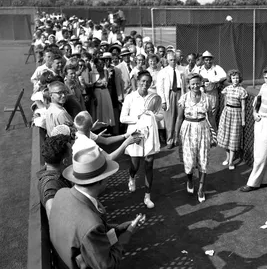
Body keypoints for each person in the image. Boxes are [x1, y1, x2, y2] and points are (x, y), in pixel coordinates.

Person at [49, 146, 146, 269]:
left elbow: (94, 235)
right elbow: (108, 264)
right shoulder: (91, 225)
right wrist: (127, 234)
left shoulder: (62, 193)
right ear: (101, 180)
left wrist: (122, 228)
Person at [120, 71, 163, 209]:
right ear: (138, 81)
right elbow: (122, 118)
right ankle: (132, 177)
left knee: (149, 164)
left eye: (148, 82)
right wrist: (138, 117)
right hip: (136, 134)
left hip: (150, 134)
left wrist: (152, 115)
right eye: (143, 81)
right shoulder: (130, 97)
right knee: (135, 165)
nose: (145, 84)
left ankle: (147, 195)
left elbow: (161, 115)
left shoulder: (154, 97)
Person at [175, 73, 217, 203]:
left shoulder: (207, 98)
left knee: (203, 158)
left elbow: (210, 117)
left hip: (203, 128)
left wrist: (214, 133)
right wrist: (175, 135)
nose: (195, 86)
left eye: (197, 83)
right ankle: (189, 180)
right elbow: (179, 118)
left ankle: (201, 188)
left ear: (201, 83)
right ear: (188, 85)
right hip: (187, 129)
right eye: (192, 84)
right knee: (189, 160)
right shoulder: (184, 98)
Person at [73, 111, 140, 160]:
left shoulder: (79, 134)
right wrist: (126, 143)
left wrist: (125, 136)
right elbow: (109, 158)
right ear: (91, 126)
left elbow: (106, 141)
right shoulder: (89, 143)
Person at [217, 69, 248, 170]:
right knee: (226, 137)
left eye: (237, 78)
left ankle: (231, 162)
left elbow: (243, 107)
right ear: (231, 79)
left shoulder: (242, 90)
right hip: (227, 114)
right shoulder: (227, 89)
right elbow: (225, 102)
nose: (235, 80)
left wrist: (243, 120)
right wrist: (224, 114)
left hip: (236, 114)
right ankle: (227, 158)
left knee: (233, 139)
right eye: (234, 78)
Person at [37, 134, 72, 219]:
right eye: (71, 152)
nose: (73, 155)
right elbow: (52, 213)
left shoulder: (49, 171)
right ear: (65, 161)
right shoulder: (51, 184)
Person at [157, 51, 185, 149]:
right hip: (169, 94)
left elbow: (185, 84)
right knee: (169, 118)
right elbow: (159, 87)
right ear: (167, 60)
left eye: (174, 59)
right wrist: (163, 101)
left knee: (179, 116)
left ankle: (177, 139)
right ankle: (170, 140)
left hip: (180, 93)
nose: (173, 61)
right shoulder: (163, 71)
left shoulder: (182, 70)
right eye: (171, 60)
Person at [198, 51, 227, 116]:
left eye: (210, 60)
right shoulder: (199, 69)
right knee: (202, 110)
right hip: (202, 92)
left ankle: (211, 126)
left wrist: (210, 79)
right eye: (206, 60)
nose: (208, 62)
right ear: (203, 61)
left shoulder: (216, 68)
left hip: (212, 93)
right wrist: (201, 82)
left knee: (213, 111)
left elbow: (224, 75)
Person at [91, 57, 115, 128]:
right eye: (99, 63)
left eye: (102, 63)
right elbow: (91, 87)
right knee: (98, 110)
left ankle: (107, 126)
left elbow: (108, 84)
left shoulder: (106, 71)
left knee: (106, 109)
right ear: (96, 64)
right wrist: (94, 97)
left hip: (105, 92)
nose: (101, 65)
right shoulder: (93, 73)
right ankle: (98, 127)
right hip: (97, 92)